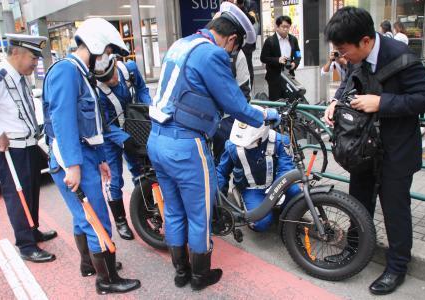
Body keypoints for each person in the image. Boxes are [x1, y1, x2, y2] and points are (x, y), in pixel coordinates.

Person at [148, 1, 280, 291]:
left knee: (173, 209)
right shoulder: (213, 55)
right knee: (199, 213)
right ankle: (199, 276)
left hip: (156, 139)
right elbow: (236, 105)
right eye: (236, 49)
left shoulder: (180, 44)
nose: (232, 54)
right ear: (232, 39)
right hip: (186, 146)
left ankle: (181, 271)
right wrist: (268, 115)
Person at [323, 7, 425, 295]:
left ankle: (398, 266)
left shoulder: (402, 57)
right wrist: (336, 102)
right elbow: (349, 83)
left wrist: (382, 103)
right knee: (358, 204)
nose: (342, 57)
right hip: (363, 149)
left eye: (343, 51)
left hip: (397, 151)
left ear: (365, 41)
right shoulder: (355, 58)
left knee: (395, 212)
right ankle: (354, 250)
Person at [43, 18, 140, 294]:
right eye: (108, 51)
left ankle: (90, 264)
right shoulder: (67, 72)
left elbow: (91, 124)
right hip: (72, 158)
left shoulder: (81, 73)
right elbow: (63, 123)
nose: (108, 57)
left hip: (85, 155)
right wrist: (73, 165)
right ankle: (106, 280)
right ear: (97, 46)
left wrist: (100, 159)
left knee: (81, 216)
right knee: (96, 216)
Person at [0, 34, 57, 263]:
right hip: (13, 149)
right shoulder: (1, 77)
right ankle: (25, 245)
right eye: (33, 57)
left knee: (32, 191)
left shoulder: (20, 77)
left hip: (30, 144)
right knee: (18, 196)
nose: (36, 63)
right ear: (16, 53)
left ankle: (32, 230)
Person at [216, 105, 301, 231]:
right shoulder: (232, 146)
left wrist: (275, 193)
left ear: (263, 134)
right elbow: (221, 173)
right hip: (252, 188)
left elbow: (286, 170)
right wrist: (216, 200)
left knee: (296, 192)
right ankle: (247, 202)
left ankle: (287, 215)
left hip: (277, 184)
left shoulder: (280, 141)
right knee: (261, 224)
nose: (246, 145)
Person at [95, 55, 151, 240]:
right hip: (111, 137)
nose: (111, 81)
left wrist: (147, 108)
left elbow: (142, 89)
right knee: (114, 178)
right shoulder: (96, 90)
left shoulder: (130, 69)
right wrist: (122, 138)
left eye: (112, 75)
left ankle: (145, 208)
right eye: (106, 80)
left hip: (135, 127)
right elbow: (102, 123)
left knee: (140, 170)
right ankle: (120, 221)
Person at [261, 15, 301, 101]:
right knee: (276, 103)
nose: (285, 29)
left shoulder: (293, 39)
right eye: (283, 26)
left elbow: (298, 54)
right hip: (274, 77)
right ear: (277, 27)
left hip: (289, 77)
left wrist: (295, 63)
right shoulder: (270, 41)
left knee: (290, 102)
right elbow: (263, 58)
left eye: (288, 27)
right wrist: (277, 60)